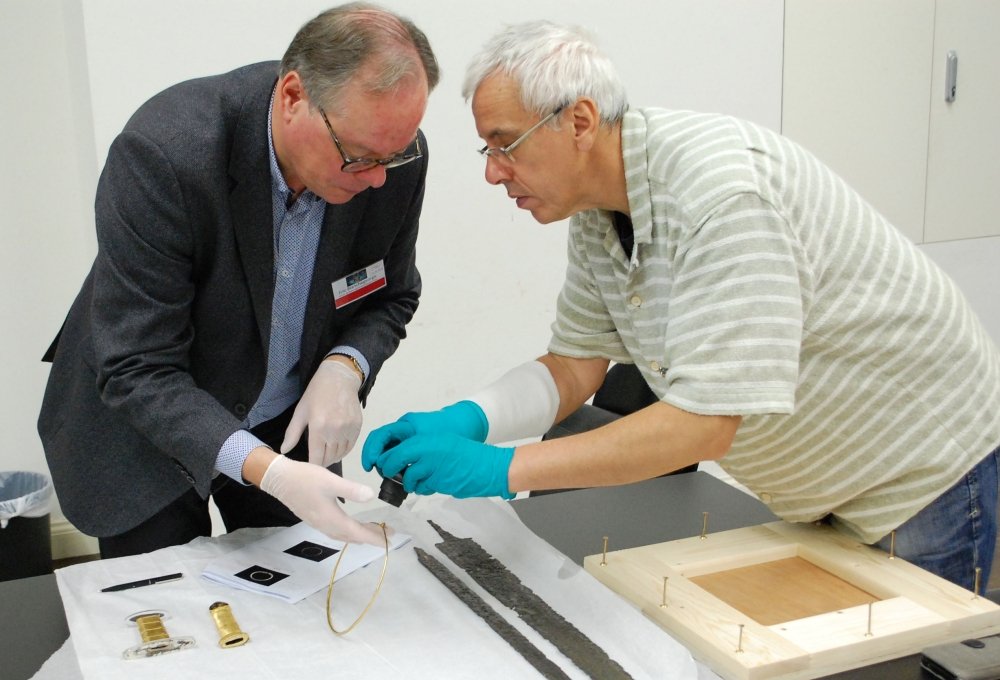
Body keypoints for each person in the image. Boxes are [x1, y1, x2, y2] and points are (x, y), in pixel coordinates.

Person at [363, 20, 1000, 592]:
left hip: (920, 475)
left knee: (896, 660)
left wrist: (502, 467)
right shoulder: (599, 210)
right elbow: (574, 365)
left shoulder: (719, 196)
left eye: (505, 145)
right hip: (821, 483)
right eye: (487, 150)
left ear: (580, 122)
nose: (493, 173)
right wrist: (471, 418)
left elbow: (703, 422)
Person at [37, 3, 439, 558]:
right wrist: (269, 472)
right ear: (294, 97)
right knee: (174, 615)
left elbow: (391, 297)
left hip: (283, 423)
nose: (375, 179)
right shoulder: (165, 154)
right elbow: (139, 365)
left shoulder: (393, 160)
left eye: (391, 156)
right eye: (359, 157)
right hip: (148, 429)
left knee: (305, 598)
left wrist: (347, 366)